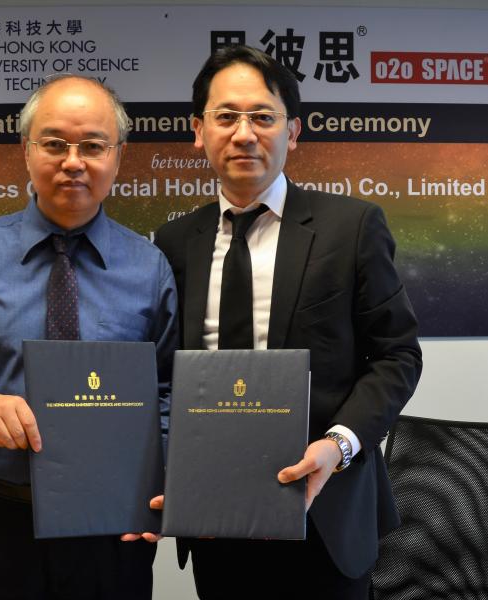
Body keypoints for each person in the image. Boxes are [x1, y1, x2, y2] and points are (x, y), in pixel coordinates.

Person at [0, 75, 177, 600]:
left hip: (110, 530)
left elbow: (168, 389)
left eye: (93, 145)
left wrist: (150, 477)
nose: (74, 161)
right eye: (54, 144)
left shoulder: (149, 267)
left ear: (118, 157)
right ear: (26, 151)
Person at [152, 46, 423, 599]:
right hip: (216, 515)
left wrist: (339, 445)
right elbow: (164, 373)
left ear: (293, 131)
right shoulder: (176, 243)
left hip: (326, 507)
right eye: (225, 116)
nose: (244, 133)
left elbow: (397, 355)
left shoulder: (352, 227)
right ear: (198, 131)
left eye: (263, 116)